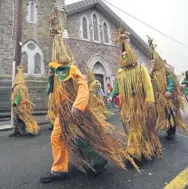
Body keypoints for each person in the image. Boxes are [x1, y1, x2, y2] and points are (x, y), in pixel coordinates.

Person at [40, 12, 138, 184]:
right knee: (57, 138)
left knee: (81, 138)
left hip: (74, 112)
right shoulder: (55, 73)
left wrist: (77, 106)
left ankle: (99, 161)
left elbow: (83, 87)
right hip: (62, 114)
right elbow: (51, 91)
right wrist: (50, 77)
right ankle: (59, 169)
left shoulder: (71, 69)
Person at [108, 27, 162, 160]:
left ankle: (135, 151)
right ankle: (141, 147)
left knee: (138, 125)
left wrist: (149, 100)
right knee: (132, 125)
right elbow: (118, 86)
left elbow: (148, 85)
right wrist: (112, 95)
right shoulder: (121, 72)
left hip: (140, 101)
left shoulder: (140, 68)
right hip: (127, 103)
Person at [148, 36, 188, 139]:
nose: (152, 63)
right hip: (156, 97)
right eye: (151, 62)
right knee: (158, 114)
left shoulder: (166, 71)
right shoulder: (152, 72)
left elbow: (171, 82)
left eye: (153, 62)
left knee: (169, 113)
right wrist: (150, 72)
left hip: (167, 96)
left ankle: (171, 131)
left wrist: (169, 90)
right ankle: (161, 127)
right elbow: (147, 82)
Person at [9, 65, 39, 137]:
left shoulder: (19, 87)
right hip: (22, 105)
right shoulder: (23, 86)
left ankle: (32, 130)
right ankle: (19, 131)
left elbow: (19, 95)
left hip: (21, 106)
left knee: (24, 118)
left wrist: (15, 103)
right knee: (19, 118)